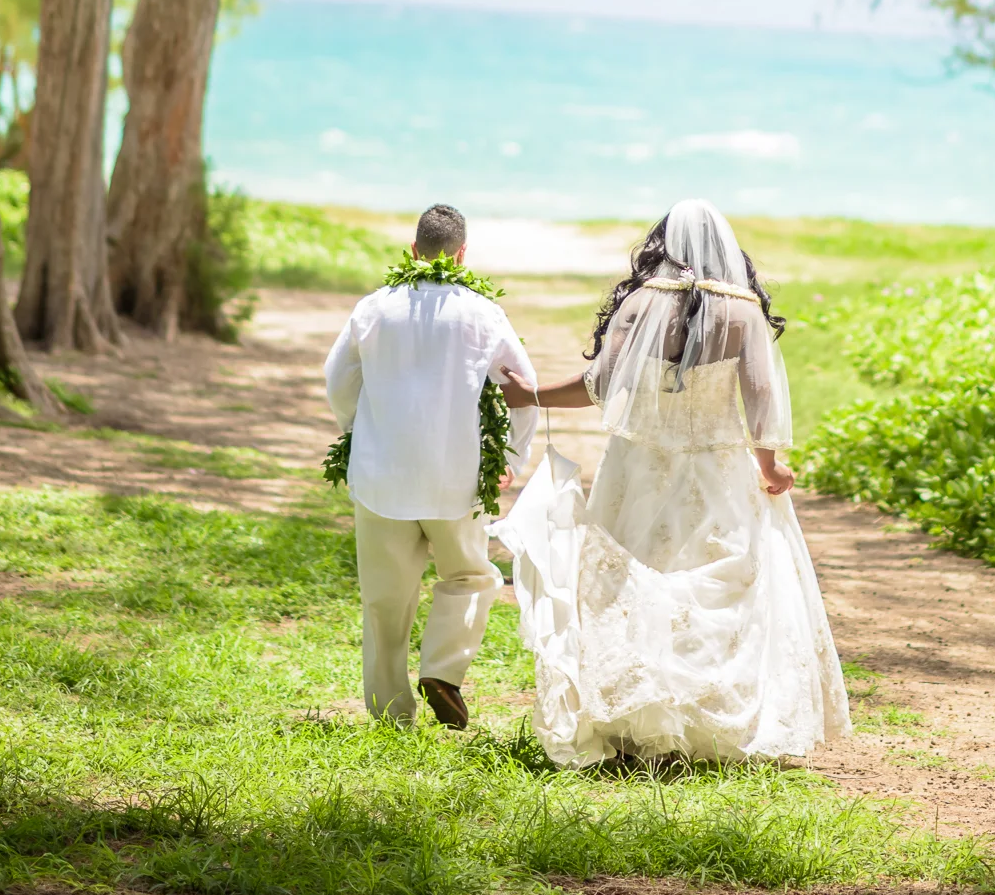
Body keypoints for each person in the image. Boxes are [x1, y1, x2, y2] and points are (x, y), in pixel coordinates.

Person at [493, 198, 850, 765]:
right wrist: (770, 465)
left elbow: (600, 385)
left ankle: (638, 722)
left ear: (662, 241)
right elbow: (759, 400)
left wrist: (527, 395)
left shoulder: (639, 303)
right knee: (720, 582)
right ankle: (716, 727)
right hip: (717, 468)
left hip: (638, 467)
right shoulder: (743, 311)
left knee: (633, 580)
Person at [324, 201, 536, 729]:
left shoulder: (373, 308)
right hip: (454, 476)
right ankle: (442, 667)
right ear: (461, 256)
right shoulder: (483, 312)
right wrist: (510, 457)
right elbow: (521, 389)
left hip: (381, 476)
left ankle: (391, 715)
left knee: (385, 601)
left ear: (414, 250)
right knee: (470, 575)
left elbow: (338, 381)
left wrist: (361, 427)